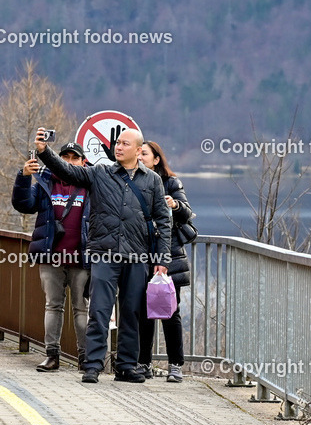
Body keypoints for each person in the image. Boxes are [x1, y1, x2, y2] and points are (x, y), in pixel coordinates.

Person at [35, 127, 170, 384]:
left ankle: (127, 366)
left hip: (137, 255)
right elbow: (68, 171)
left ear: (138, 150)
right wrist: (44, 152)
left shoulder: (152, 180)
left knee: (131, 312)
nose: (118, 147)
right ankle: (93, 365)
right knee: (98, 310)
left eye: (125, 144)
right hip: (104, 254)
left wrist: (162, 259)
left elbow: (163, 222)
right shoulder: (100, 172)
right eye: (117, 142)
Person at [11, 142, 91, 372]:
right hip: (51, 257)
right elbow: (23, 204)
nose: (68, 161)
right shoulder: (46, 183)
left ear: (83, 162)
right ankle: (52, 355)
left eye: (74, 158)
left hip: (81, 258)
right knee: (53, 306)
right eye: (64, 156)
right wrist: (23, 177)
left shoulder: (90, 186)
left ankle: (85, 359)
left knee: (81, 308)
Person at [135, 141, 193, 383]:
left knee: (170, 311)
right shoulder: (134, 181)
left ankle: (175, 365)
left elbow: (187, 213)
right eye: (137, 153)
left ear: (156, 159)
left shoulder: (171, 182)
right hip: (141, 254)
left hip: (168, 256)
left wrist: (175, 204)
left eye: (144, 154)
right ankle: (143, 363)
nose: (139, 157)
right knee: (143, 312)